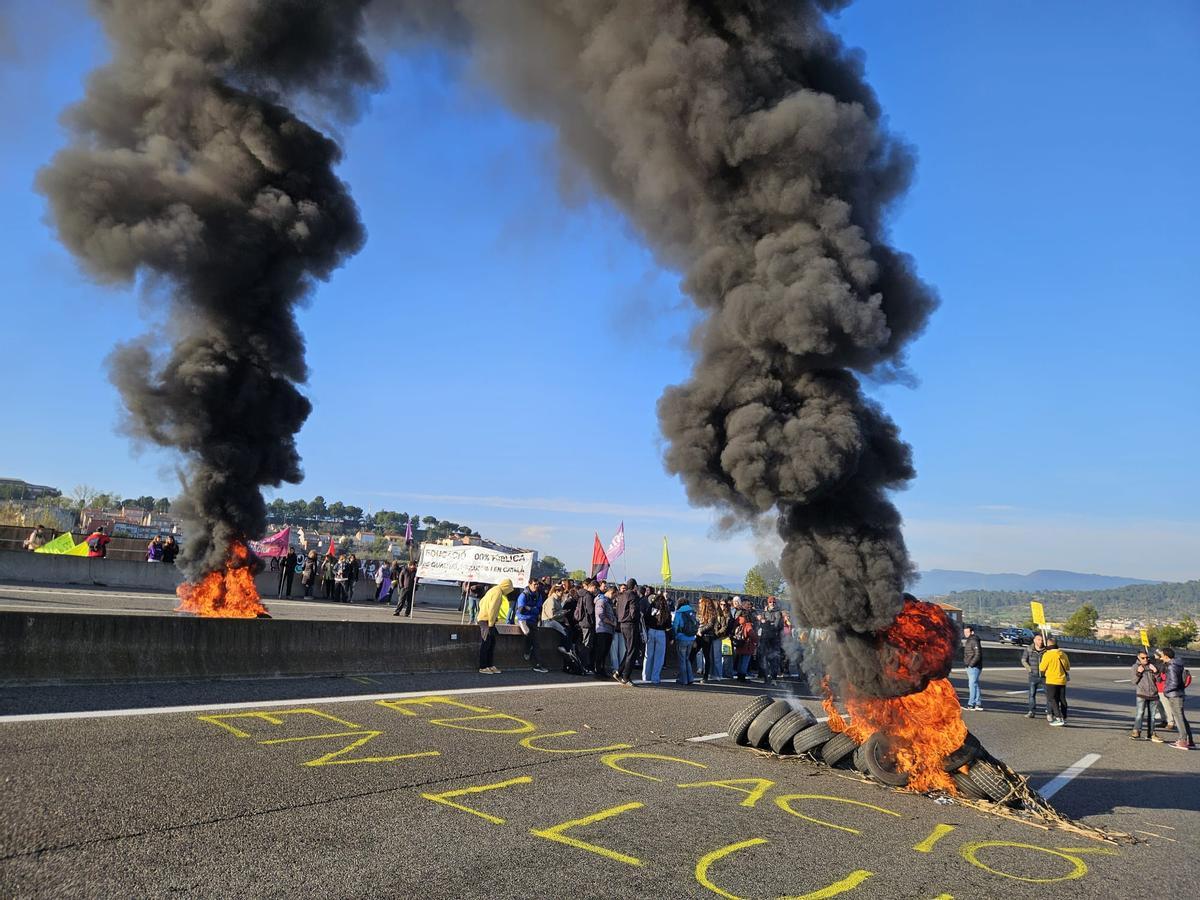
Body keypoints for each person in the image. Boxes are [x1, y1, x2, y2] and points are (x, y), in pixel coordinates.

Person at [1157, 647, 1194, 750]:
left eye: (1162, 655)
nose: (1161, 657)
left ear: (1166, 656)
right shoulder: (1176, 664)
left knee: (1179, 718)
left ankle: (1182, 741)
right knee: (1181, 718)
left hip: (1174, 695)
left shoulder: (1172, 666)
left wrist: (1165, 691)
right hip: (1178, 694)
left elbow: (1174, 682)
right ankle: (1189, 741)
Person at [477, 579, 515, 675]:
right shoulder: (498, 592)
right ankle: (483, 667)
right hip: (487, 621)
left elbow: (481, 602)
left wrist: (483, 613)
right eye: (509, 589)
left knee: (490, 643)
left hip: (485, 619)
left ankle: (489, 665)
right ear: (506, 587)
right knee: (486, 643)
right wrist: (491, 623)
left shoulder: (493, 590)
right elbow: (493, 609)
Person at [615, 578, 644, 686]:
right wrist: (638, 616)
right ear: (635, 586)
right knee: (633, 651)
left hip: (622, 624)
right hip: (631, 625)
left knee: (628, 650)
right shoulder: (633, 596)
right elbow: (634, 612)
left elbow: (618, 610)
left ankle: (619, 671)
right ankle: (626, 677)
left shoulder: (621, 596)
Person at [515, 581, 548, 673]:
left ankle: (538, 664)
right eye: (534, 584)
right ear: (529, 584)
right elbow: (521, 610)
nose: (536, 586)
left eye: (537, 584)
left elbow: (538, 610)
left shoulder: (538, 595)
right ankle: (526, 650)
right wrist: (531, 609)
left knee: (536, 642)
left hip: (532, 620)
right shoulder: (523, 595)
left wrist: (529, 608)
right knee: (527, 633)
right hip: (523, 619)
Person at [1039, 636, 1071, 726]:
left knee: (1052, 699)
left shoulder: (1047, 655)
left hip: (1051, 680)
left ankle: (1058, 718)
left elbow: (1042, 668)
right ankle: (1064, 716)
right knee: (1062, 699)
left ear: (1048, 645)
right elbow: (1068, 667)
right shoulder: (1064, 654)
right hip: (1062, 680)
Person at [1131, 650, 1162, 742]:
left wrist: (1156, 671)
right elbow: (1134, 681)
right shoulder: (1135, 667)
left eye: (1147, 657)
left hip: (1153, 694)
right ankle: (1136, 731)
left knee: (1152, 716)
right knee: (1140, 714)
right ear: (1138, 658)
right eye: (1143, 658)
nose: (1146, 659)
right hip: (1142, 694)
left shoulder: (1152, 666)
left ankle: (1151, 733)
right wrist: (1139, 673)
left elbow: (1159, 680)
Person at [642, 592, 671, 685]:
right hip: (661, 632)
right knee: (659, 657)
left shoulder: (652, 606)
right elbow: (668, 624)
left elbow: (645, 618)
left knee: (648, 655)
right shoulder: (666, 609)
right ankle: (655, 678)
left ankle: (646, 676)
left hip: (651, 631)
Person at [757, 596, 785, 685]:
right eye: (770, 602)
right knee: (764, 658)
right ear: (767, 603)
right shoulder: (764, 612)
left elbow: (776, 625)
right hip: (764, 639)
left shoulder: (778, 613)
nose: (772, 604)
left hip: (774, 639)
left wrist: (766, 623)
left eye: (773, 602)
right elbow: (760, 624)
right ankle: (765, 677)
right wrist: (764, 622)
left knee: (774, 659)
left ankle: (773, 679)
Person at [672, 598, 699, 685]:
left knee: (682, 660)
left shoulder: (679, 613)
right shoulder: (692, 612)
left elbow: (675, 626)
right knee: (687, 659)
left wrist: (674, 636)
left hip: (681, 638)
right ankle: (690, 678)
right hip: (691, 639)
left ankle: (683, 679)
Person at [695, 598, 721, 684]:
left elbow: (710, 625)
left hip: (707, 636)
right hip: (699, 636)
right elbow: (697, 623)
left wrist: (701, 630)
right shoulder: (699, 612)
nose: (699, 604)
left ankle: (706, 676)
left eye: (700, 603)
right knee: (693, 653)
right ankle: (687, 673)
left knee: (707, 656)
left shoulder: (712, 614)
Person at [593, 586, 617, 680]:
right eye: (615, 595)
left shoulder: (607, 601)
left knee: (605, 652)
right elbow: (601, 615)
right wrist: (612, 622)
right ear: (612, 593)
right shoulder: (601, 601)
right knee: (601, 651)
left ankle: (602, 670)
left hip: (608, 630)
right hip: (602, 629)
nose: (615, 598)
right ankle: (598, 671)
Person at [1021, 633, 1046, 719]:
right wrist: (1029, 669)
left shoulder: (1046, 650)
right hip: (1033, 675)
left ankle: (1050, 712)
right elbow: (1024, 660)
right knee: (1032, 694)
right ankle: (1031, 711)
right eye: (1039, 640)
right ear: (1034, 640)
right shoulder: (1029, 649)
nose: (1041, 642)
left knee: (1049, 695)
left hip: (1045, 676)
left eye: (1042, 640)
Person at [574, 581, 597, 675]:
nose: (596, 590)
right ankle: (584, 666)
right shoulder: (588, 595)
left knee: (583, 643)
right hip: (587, 623)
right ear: (592, 587)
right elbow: (590, 610)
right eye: (595, 588)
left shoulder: (580, 594)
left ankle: (581, 664)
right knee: (587, 645)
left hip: (581, 621)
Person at [731, 606, 758, 682]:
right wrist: (757, 641)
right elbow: (752, 634)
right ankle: (742, 676)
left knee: (740, 660)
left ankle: (739, 675)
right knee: (745, 661)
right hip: (747, 645)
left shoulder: (737, 622)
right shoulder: (747, 624)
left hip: (739, 643)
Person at [962, 624, 984, 710]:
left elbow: (977, 654)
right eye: (964, 632)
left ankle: (971, 704)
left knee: (972, 685)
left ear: (972, 632)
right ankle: (978, 704)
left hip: (974, 667)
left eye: (967, 632)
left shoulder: (974, 640)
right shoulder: (970, 640)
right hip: (971, 666)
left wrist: (971, 664)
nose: (965, 633)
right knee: (975, 684)